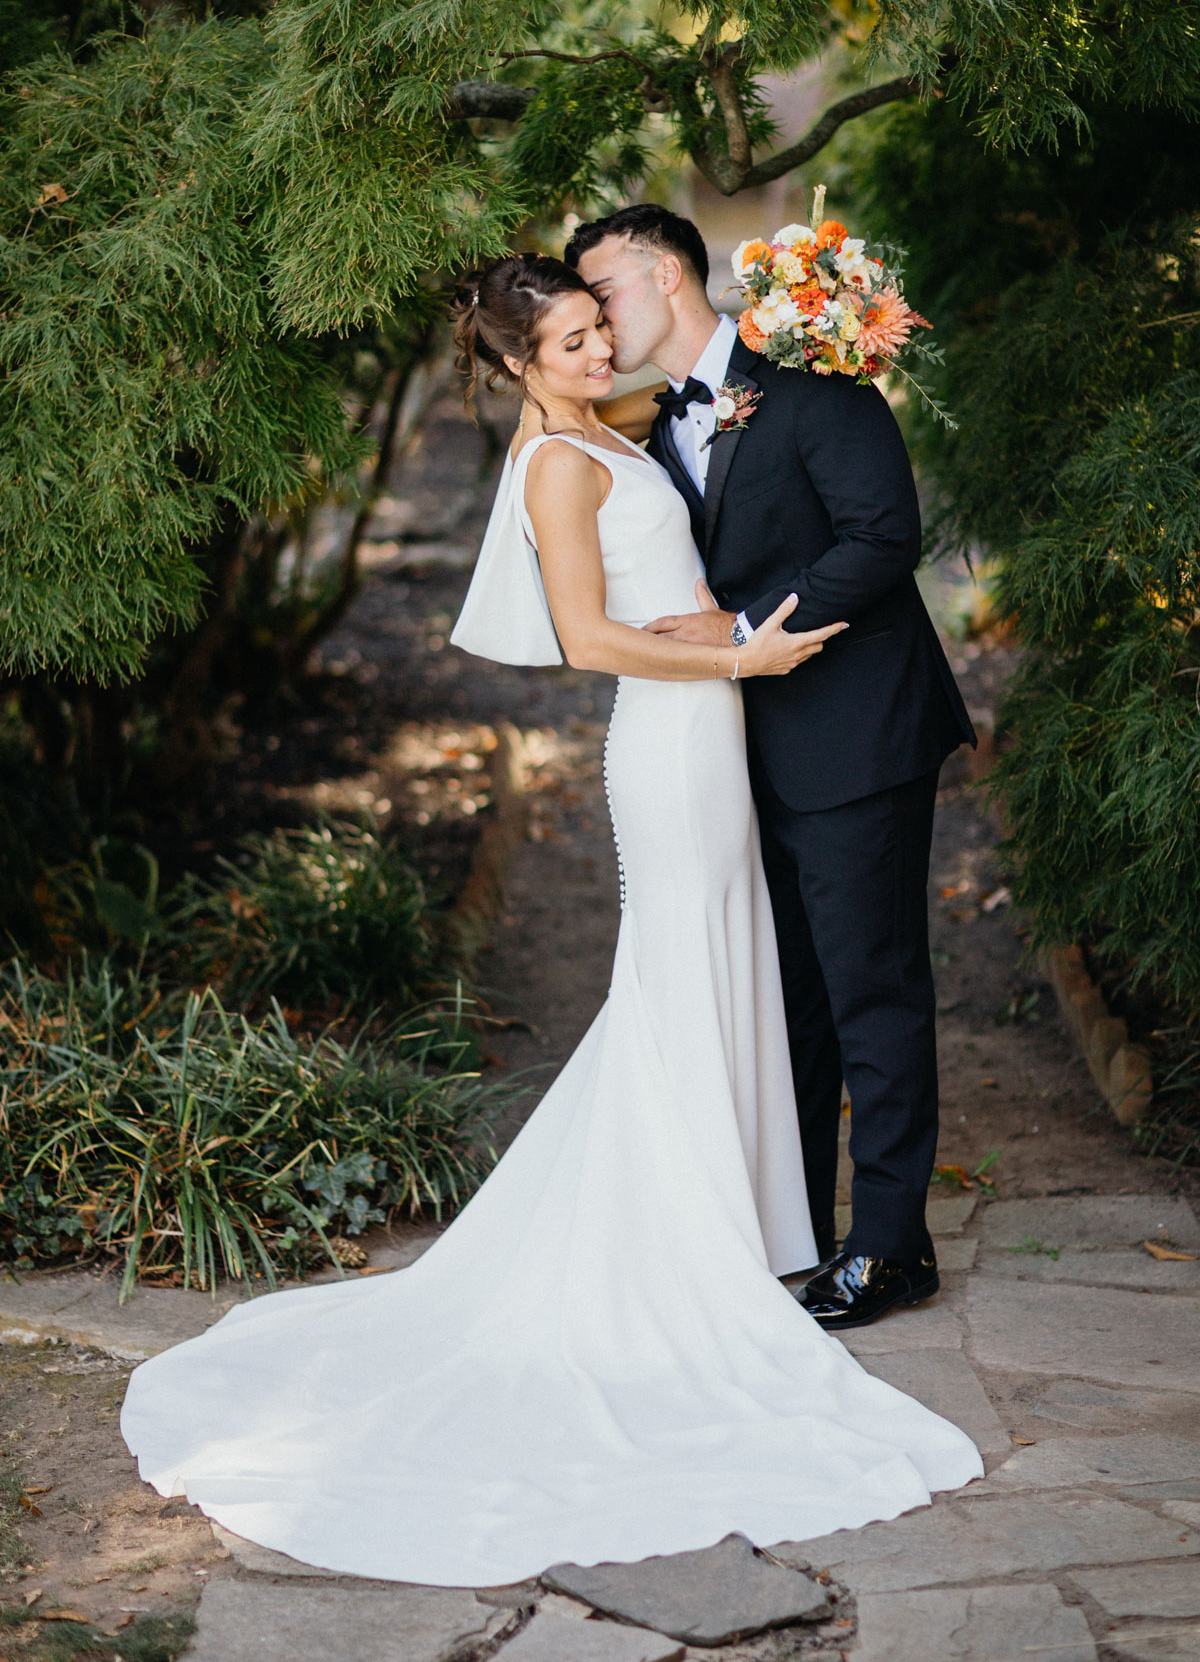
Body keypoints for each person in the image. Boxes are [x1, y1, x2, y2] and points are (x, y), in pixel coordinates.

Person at [119, 253, 981, 1588]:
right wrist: (738, 651)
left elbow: (697, 386)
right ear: (519, 362)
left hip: (716, 732)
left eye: (598, 324)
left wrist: (800, 329)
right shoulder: (560, 465)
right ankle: (690, 1246)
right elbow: (585, 638)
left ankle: (756, 1230)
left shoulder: (608, 426)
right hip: (677, 730)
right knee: (679, 980)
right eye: (571, 337)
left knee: (726, 971)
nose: (596, 348)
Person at [567, 206, 976, 1330]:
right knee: (785, 997)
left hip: (856, 737)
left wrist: (744, 628)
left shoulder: (809, 380)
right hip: (738, 757)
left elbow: (884, 536)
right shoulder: (645, 430)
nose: (595, 321)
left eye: (601, 290)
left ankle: (891, 1248)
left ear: (662, 271)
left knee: (871, 992)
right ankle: (791, 1229)